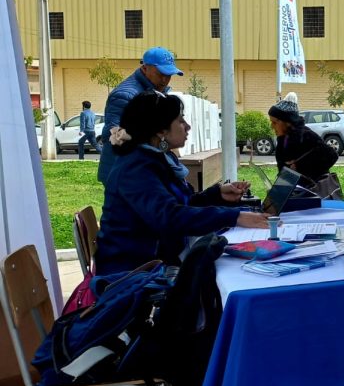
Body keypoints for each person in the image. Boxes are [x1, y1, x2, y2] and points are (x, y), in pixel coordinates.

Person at [95, 92, 268, 275]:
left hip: (154, 264)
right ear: (160, 130)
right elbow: (169, 217)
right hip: (133, 275)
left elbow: (177, 205)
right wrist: (234, 217)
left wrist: (217, 195)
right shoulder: (136, 168)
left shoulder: (152, 159)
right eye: (180, 120)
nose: (188, 126)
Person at [98, 47, 183, 185]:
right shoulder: (125, 96)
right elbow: (115, 137)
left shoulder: (156, 92)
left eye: (169, 75)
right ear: (145, 68)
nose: (165, 80)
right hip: (124, 173)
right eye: (161, 74)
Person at [268, 93, 338, 183]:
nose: (272, 126)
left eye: (274, 122)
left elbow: (332, 156)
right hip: (294, 189)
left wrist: (300, 166)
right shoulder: (283, 139)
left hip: (313, 190)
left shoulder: (307, 135)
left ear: (287, 122)